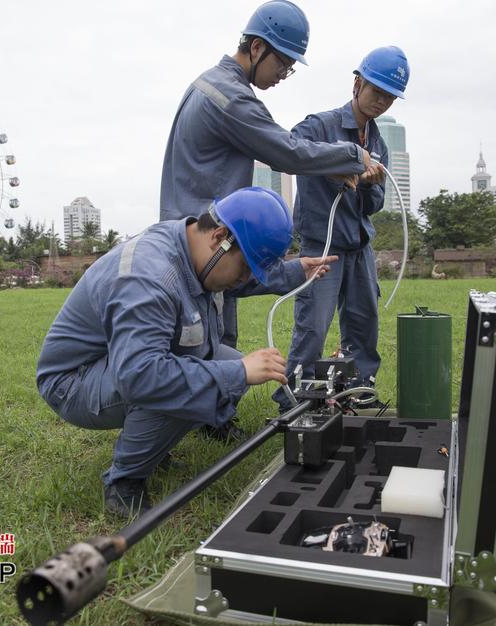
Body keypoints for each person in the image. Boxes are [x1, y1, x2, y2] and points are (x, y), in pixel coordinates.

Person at [37, 187, 336, 517]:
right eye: (247, 267)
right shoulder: (149, 277)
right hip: (73, 382)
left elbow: (239, 277)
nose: (244, 280)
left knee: (221, 366)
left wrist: (297, 270)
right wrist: (238, 374)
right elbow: (140, 375)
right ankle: (124, 483)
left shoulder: (193, 244)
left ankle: (152, 444)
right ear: (220, 236)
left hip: (116, 363)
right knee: (203, 379)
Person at [160, 0, 382, 440]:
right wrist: (351, 156)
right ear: (257, 48)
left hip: (198, 234)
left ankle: (212, 420)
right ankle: (199, 422)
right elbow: (286, 150)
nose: (284, 74)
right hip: (207, 240)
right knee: (206, 340)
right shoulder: (230, 96)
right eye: (283, 62)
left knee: (211, 335)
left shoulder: (208, 85)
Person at [275, 46, 410, 412]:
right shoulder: (320, 125)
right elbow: (290, 149)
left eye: (389, 97)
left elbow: (375, 204)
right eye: (376, 91)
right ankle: (293, 400)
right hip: (322, 245)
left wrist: (368, 184)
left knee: (363, 324)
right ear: (357, 83)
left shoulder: (378, 141)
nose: (381, 101)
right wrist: (339, 160)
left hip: (359, 247)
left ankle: (359, 391)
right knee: (313, 328)